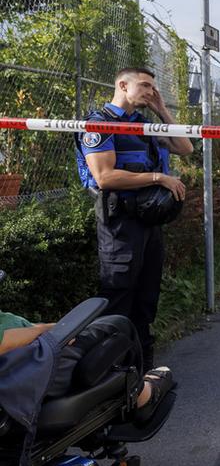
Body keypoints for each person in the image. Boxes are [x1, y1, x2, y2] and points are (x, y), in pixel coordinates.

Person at [76, 66, 193, 371]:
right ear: (122, 85)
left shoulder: (143, 124)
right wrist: (158, 178)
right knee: (118, 297)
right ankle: (110, 374)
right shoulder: (98, 124)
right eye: (144, 86)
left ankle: (140, 371)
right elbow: (104, 177)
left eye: (152, 87)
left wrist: (163, 110)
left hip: (148, 223)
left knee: (146, 298)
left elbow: (186, 148)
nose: (150, 92)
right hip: (120, 221)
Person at [0, 310, 175, 422]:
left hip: (22, 359)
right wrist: (46, 331)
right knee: (118, 327)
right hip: (25, 372)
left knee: (96, 327)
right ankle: (143, 397)